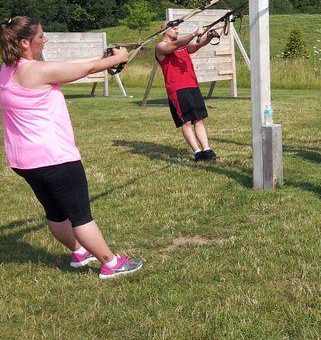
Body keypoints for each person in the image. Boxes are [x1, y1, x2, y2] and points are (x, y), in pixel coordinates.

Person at [0, 16, 143, 279]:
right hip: (54, 158)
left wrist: (105, 58)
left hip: (24, 161)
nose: (45, 40)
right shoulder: (37, 72)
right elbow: (83, 70)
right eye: (41, 36)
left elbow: (67, 66)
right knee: (80, 216)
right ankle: (111, 263)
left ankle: (79, 252)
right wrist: (116, 58)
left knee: (55, 213)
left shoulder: (7, 71)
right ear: (24, 42)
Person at [155, 22, 219, 162]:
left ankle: (207, 150)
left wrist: (208, 37)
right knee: (187, 122)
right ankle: (197, 153)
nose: (177, 29)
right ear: (164, 30)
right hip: (177, 89)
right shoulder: (161, 46)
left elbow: (195, 46)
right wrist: (194, 33)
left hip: (192, 86)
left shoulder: (181, 46)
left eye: (178, 27)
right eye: (174, 27)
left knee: (199, 119)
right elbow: (175, 46)